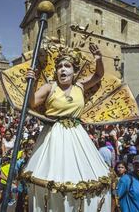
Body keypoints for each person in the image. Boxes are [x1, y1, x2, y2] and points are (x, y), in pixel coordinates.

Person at [23, 43, 110, 211]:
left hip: (77, 136)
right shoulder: (50, 87)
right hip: (53, 135)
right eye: (59, 66)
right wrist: (31, 81)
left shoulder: (80, 86)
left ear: (74, 71)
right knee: (51, 177)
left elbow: (99, 75)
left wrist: (99, 58)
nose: (63, 69)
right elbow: (32, 102)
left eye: (67, 66)